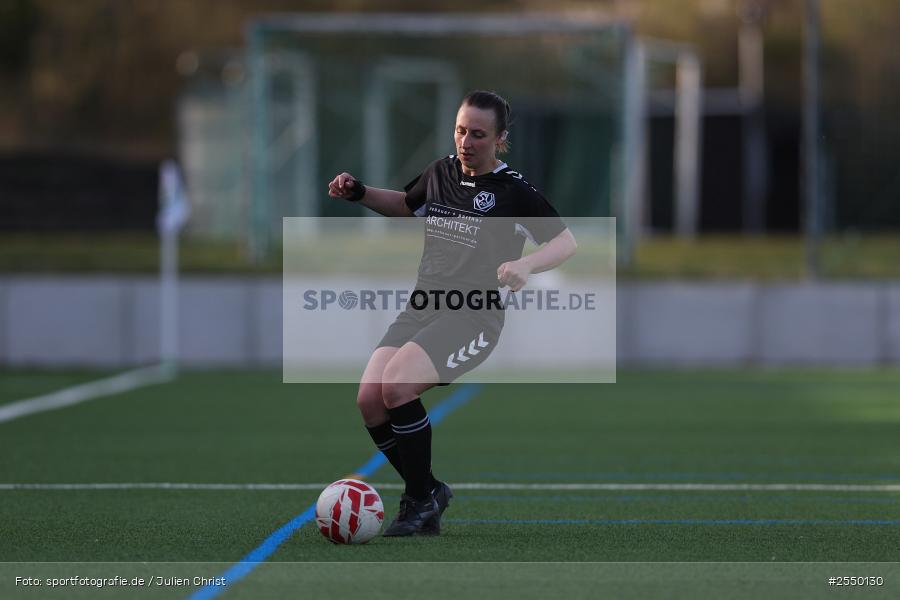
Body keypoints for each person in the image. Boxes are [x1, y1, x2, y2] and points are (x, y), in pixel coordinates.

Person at [327, 90, 577, 536]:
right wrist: (360, 193)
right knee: (369, 399)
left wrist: (525, 264)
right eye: (461, 130)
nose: (466, 141)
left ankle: (419, 503)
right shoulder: (440, 172)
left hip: (473, 317)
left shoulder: (513, 191)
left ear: (499, 139)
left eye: (478, 134)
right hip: (422, 307)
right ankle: (427, 492)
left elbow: (564, 242)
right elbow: (406, 204)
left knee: (398, 384)